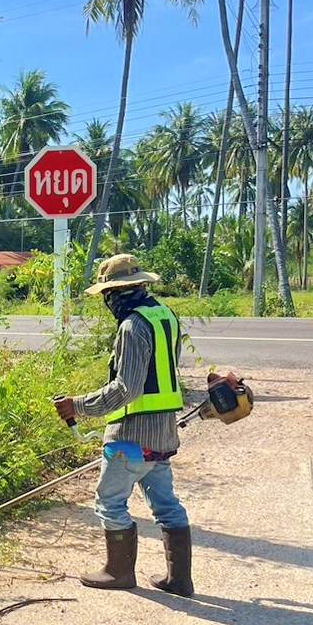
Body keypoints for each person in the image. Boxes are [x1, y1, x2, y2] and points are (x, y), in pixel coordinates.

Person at [54, 254, 193, 596]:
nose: (107, 302)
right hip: (162, 433)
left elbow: (126, 388)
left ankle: (118, 571)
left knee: (109, 501)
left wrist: (78, 405)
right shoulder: (165, 316)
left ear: (117, 293)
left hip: (130, 435)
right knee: (166, 505)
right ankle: (180, 579)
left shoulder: (132, 327)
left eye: (108, 295)